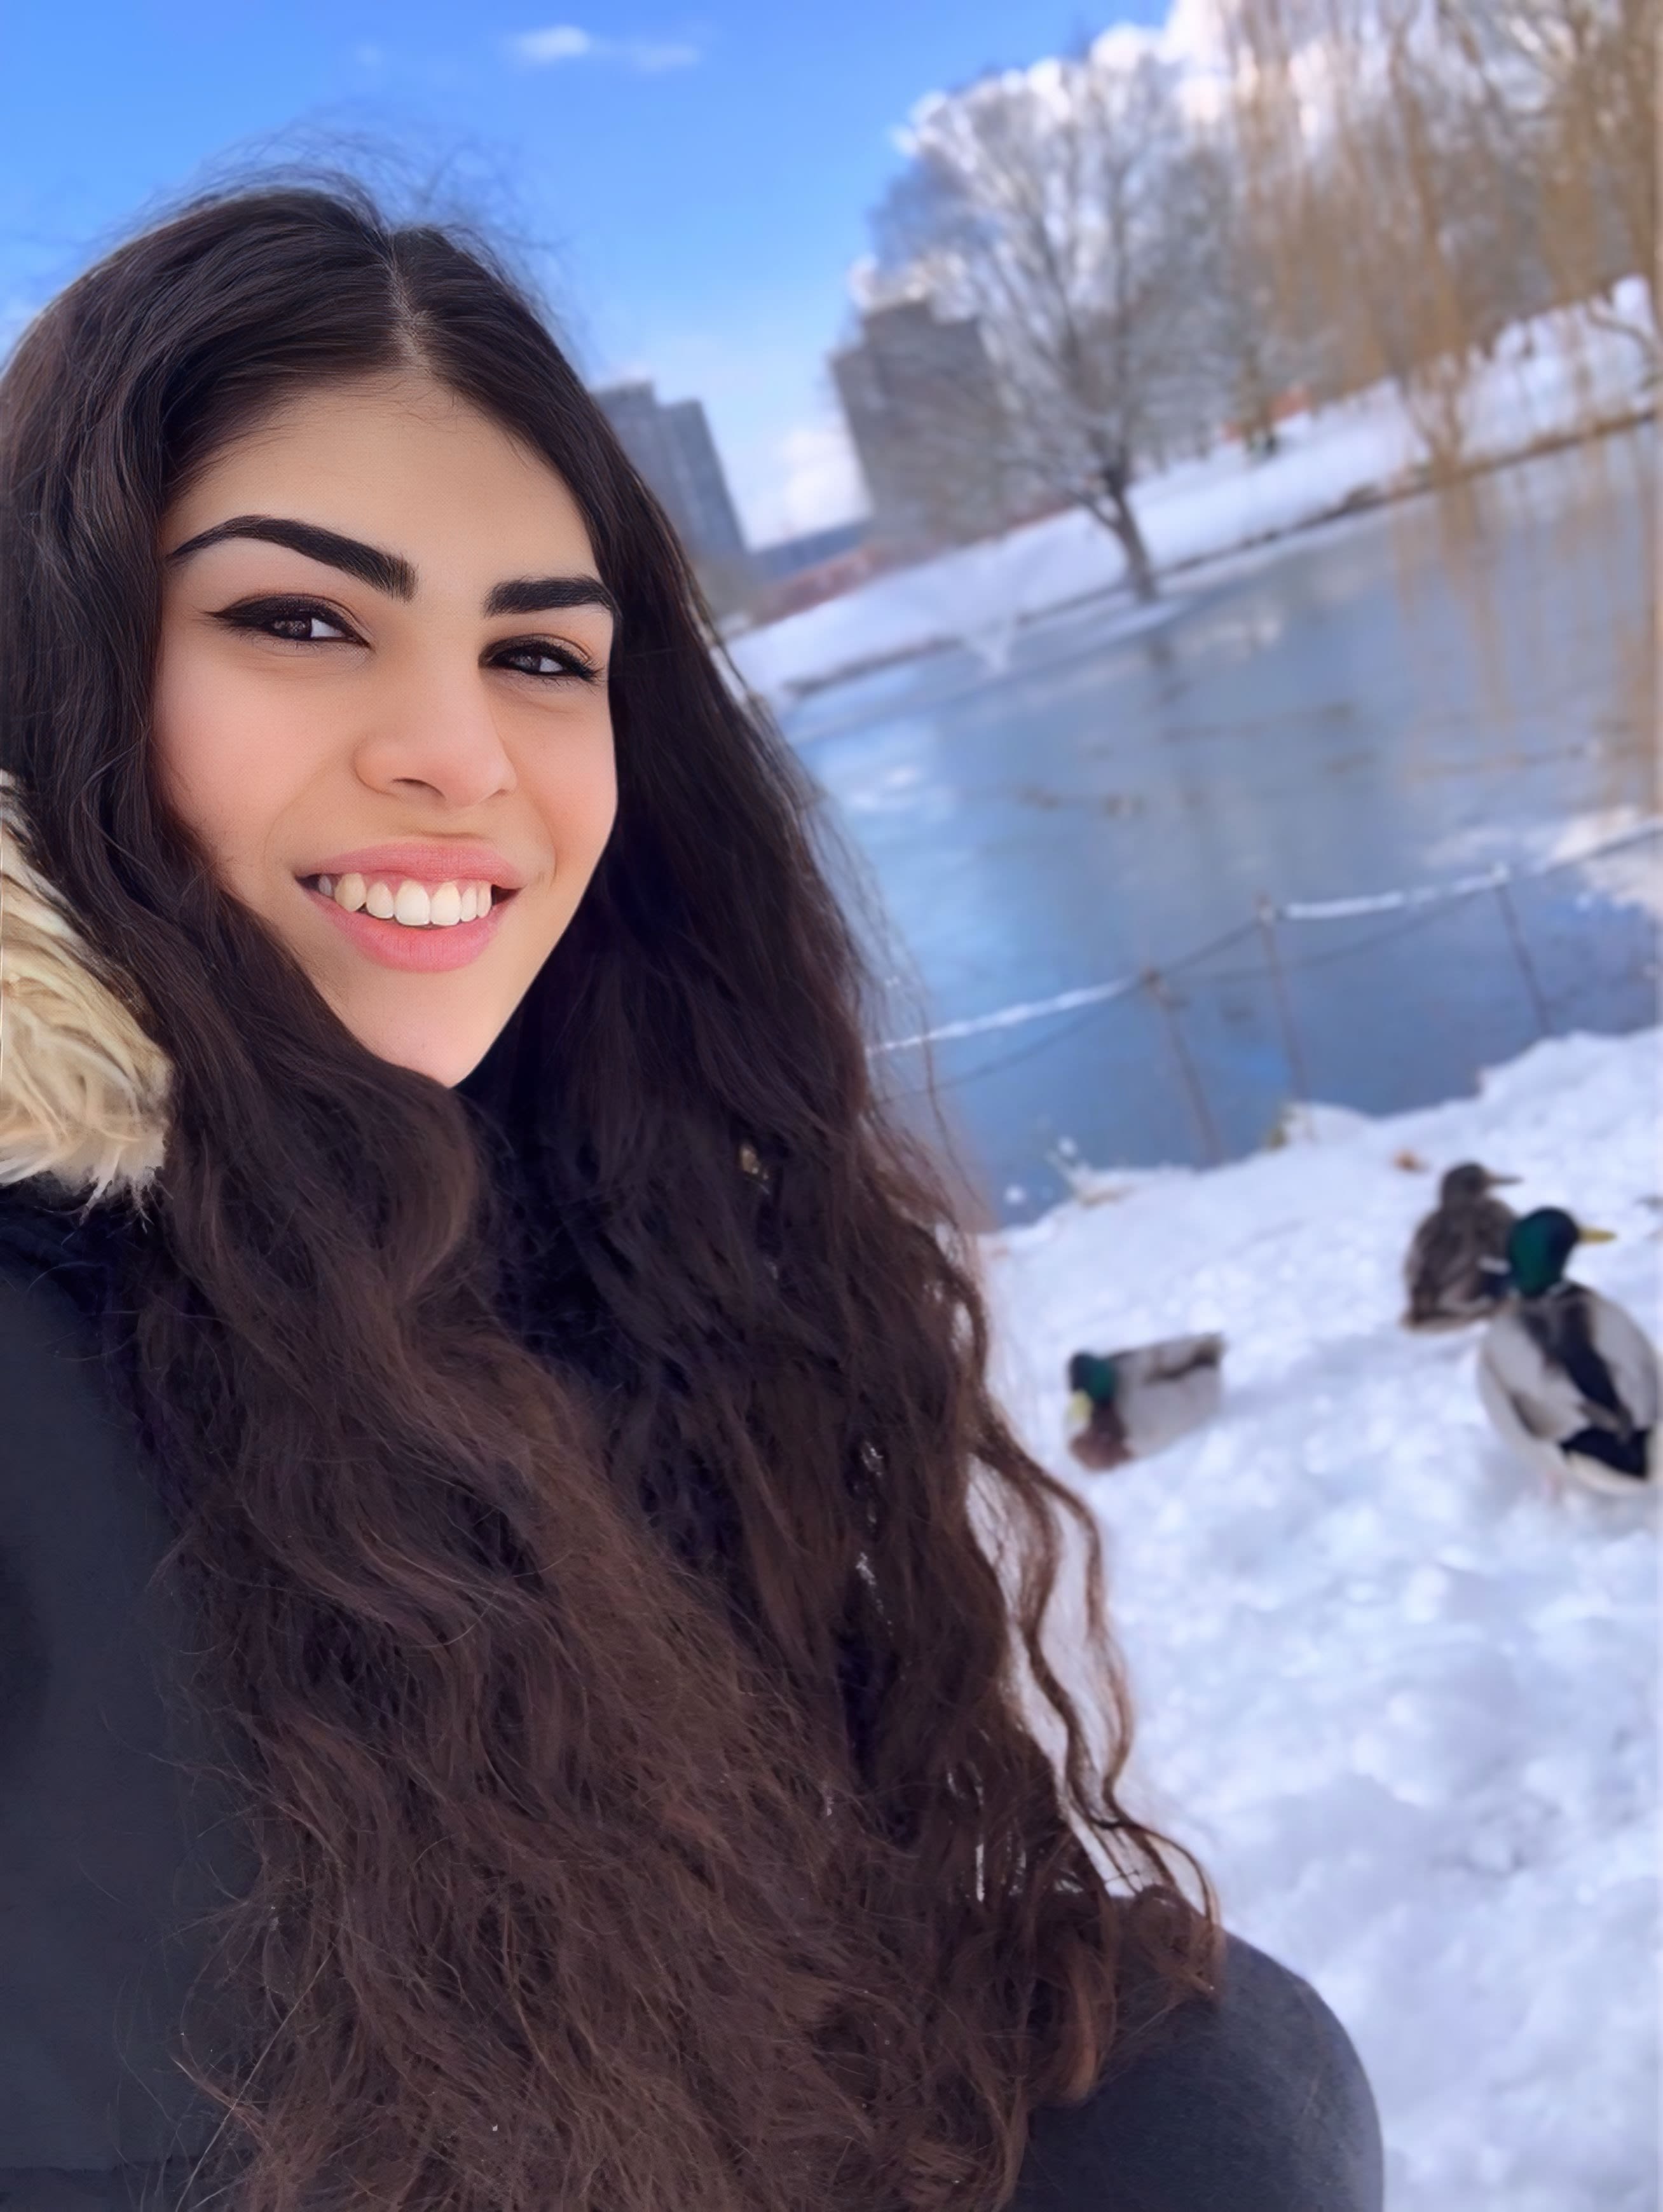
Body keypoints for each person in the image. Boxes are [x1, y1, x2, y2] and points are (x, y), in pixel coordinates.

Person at [0, 183, 1382, 2212]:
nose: (462, 753)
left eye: (542, 652)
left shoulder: (556, 1202)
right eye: (297, 618)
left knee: (1216, 2072)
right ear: (53, 667)